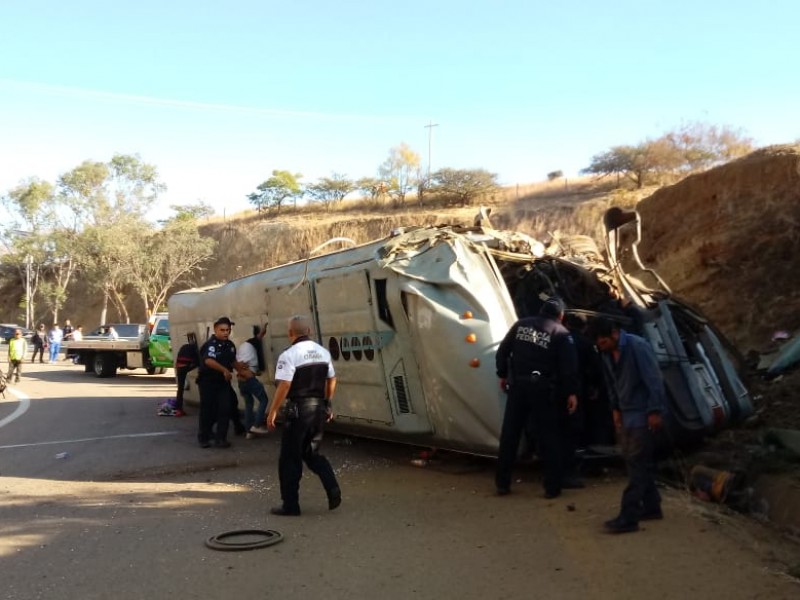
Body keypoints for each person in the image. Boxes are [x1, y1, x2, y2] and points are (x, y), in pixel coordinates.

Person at [495, 296, 579, 499]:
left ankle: (502, 484)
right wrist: (571, 392)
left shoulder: (520, 325)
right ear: (561, 315)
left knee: (510, 435)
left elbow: (502, 352)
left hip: (518, 388)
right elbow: (569, 368)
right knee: (548, 437)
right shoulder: (561, 333)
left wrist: (503, 374)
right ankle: (552, 488)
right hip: (542, 390)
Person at [590, 318, 666, 534]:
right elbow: (611, 383)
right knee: (635, 461)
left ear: (614, 334)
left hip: (643, 413)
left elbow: (654, 380)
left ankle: (629, 516)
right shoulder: (605, 353)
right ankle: (652, 507)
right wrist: (615, 409)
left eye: (603, 342)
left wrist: (655, 410)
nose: (600, 347)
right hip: (626, 413)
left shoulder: (637, 347)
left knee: (637, 463)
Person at [266, 315, 341, 516]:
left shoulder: (289, 355)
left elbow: (285, 385)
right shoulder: (323, 352)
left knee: (290, 459)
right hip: (318, 410)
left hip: (298, 411)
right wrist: (327, 403)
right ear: (309, 331)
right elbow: (332, 379)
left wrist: (273, 410)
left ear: (290, 333)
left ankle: (291, 505)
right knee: (312, 453)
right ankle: (332, 487)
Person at [196, 317, 237, 448]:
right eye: (223, 330)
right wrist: (224, 370)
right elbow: (209, 361)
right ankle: (204, 437)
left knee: (225, 409)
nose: (226, 332)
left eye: (228, 330)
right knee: (208, 410)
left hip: (223, 383)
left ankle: (221, 438)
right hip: (208, 382)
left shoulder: (230, 345)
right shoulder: (211, 345)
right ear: (215, 330)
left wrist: (242, 368)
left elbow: (232, 361)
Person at [235, 324, 270, 438]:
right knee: (263, 399)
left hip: (241, 380)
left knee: (248, 404)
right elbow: (260, 336)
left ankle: (249, 431)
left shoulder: (242, 348)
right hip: (249, 379)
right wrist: (264, 330)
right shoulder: (252, 343)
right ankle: (257, 425)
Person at [174, 337, 200, 417]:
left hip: (179, 367)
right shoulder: (194, 349)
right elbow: (197, 360)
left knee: (180, 389)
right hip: (185, 366)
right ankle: (179, 409)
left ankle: (178, 408)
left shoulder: (184, 347)